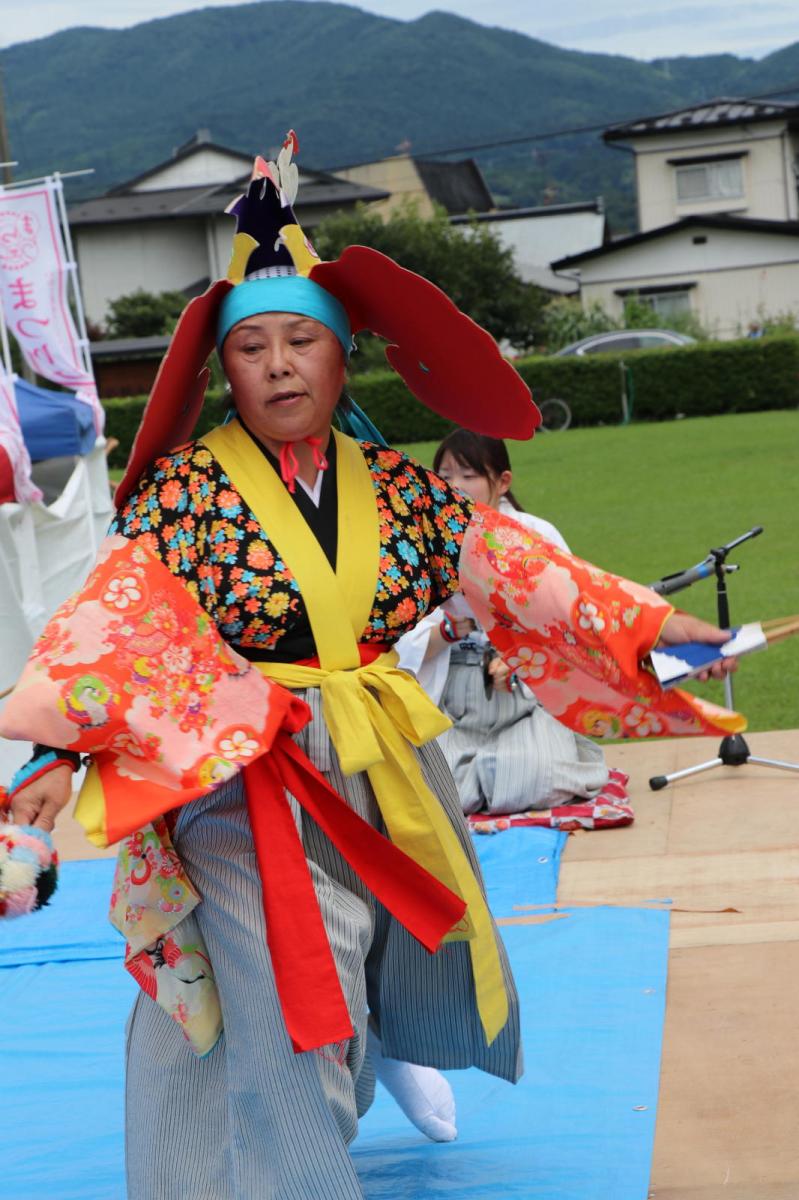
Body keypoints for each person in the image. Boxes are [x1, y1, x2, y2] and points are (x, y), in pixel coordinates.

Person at [1, 135, 742, 1200]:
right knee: (299, 1000)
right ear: (224, 369)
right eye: (251, 348)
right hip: (249, 779)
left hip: (382, 757)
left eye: (302, 340)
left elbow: (518, 571)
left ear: (343, 358)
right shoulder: (186, 495)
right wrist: (47, 768)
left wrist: (652, 627)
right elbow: (105, 632)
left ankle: (257, 1146)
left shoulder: (396, 488)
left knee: (350, 983)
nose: (279, 365)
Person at [397, 429, 612, 818]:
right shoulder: (424, 542)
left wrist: (519, 656)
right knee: (426, 792)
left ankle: (500, 769)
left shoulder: (536, 536)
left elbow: (571, 619)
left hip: (525, 691)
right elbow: (401, 639)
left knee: (541, 778)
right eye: (445, 476)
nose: (455, 487)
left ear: (503, 481)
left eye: (469, 475)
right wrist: (448, 630)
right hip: (452, 694)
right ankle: (479, 774)